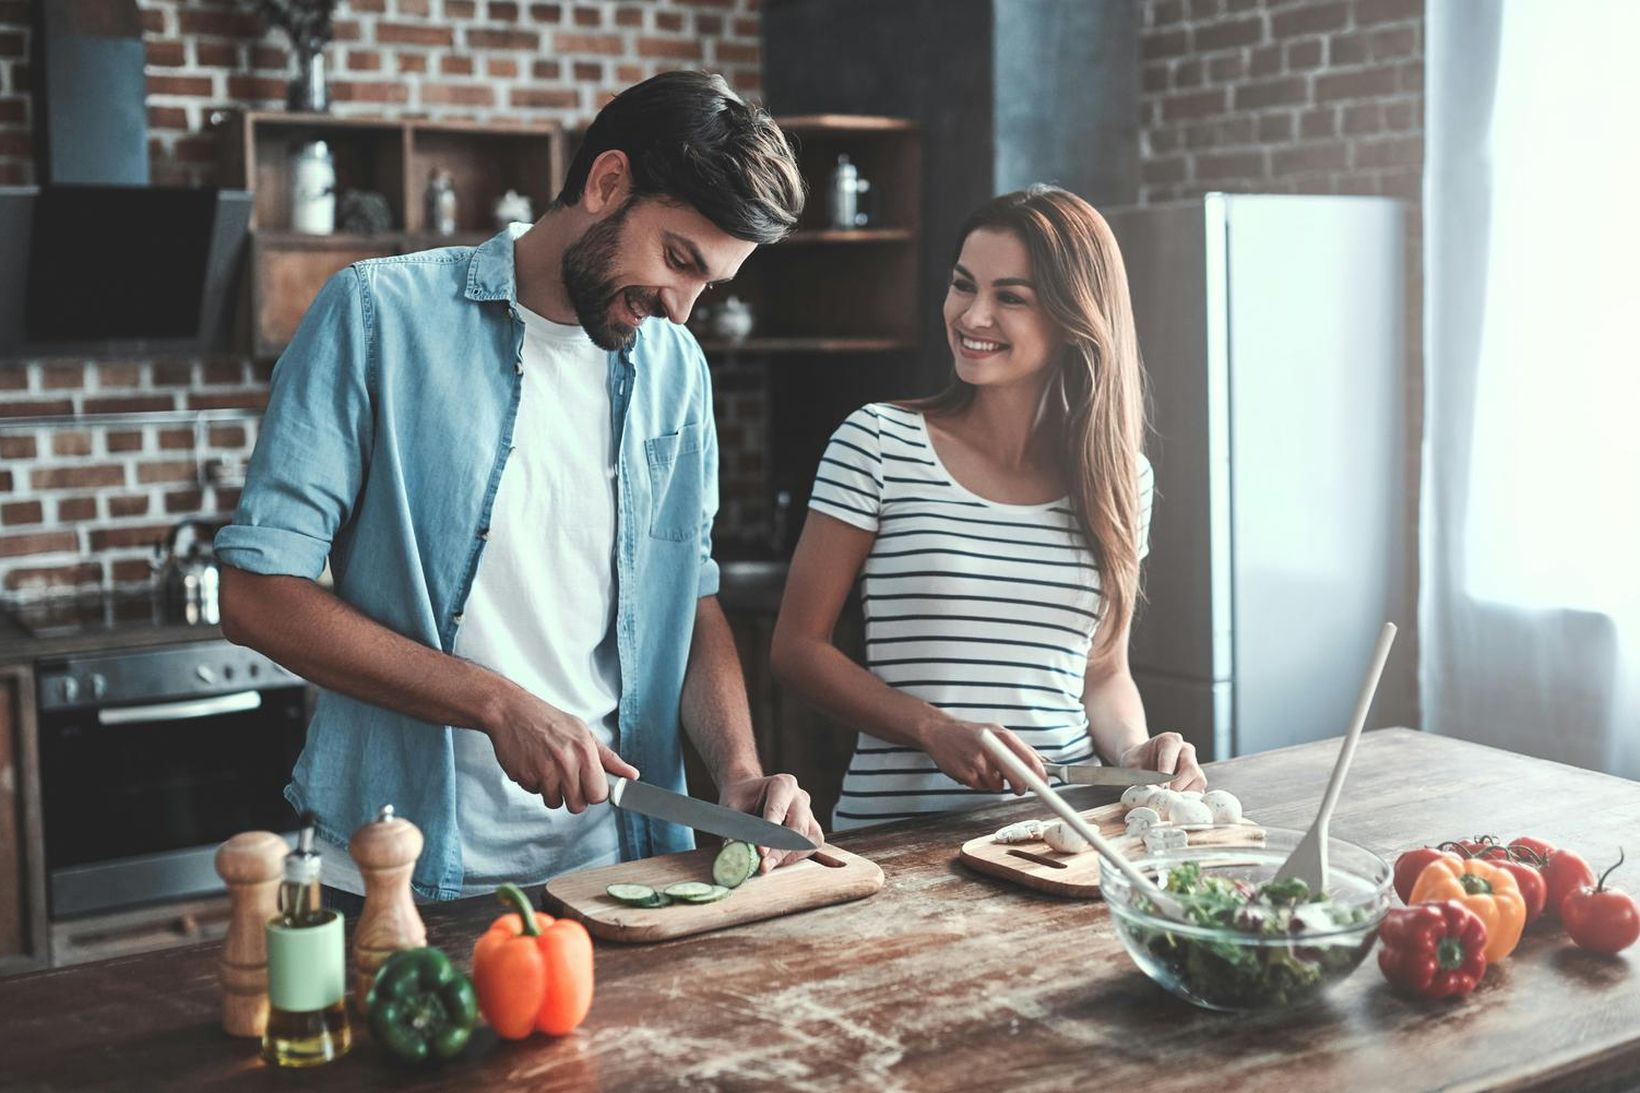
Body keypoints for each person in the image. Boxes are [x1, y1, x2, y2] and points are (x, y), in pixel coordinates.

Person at [216, 71, 823, 907]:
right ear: (607, 183)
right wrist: (498, 704)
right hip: (402, 874)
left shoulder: (675, 369)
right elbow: (256, 594)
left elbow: (693, 597)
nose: (682, 310)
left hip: (620, 873)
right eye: (678, 258)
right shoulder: (376, 318)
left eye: (708, 284)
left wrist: (741, 773)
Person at [770, 185, 1207, 830]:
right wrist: (933, 729)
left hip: (1062, 832)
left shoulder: (1122, 478)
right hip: (899, 835)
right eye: (963, 285)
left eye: (1010, 297)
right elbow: (797, 649)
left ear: (1072, 317)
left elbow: (1102, 672)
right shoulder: (878, 442)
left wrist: (1134, 753)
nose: (972, 317)